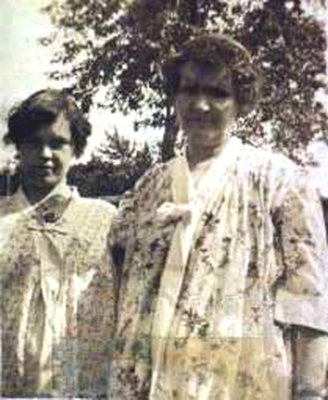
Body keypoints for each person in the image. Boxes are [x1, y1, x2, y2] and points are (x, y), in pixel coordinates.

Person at [108, 34, 328, 400]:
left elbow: (309, 298)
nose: (200, 104)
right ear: (174, 96)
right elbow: (117, 272)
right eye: (189, 89)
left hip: (238, 380)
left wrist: (309, 391)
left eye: (218, 93)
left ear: (242, 101)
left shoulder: (279, 181)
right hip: (147, 379)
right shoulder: (149, 187)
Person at [0, 89, 116, 398]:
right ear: (18, 148)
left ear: (76, 149)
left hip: (84, 385)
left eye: (57, 143)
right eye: (33, 143)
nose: (45, 154)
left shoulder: (106, 221)